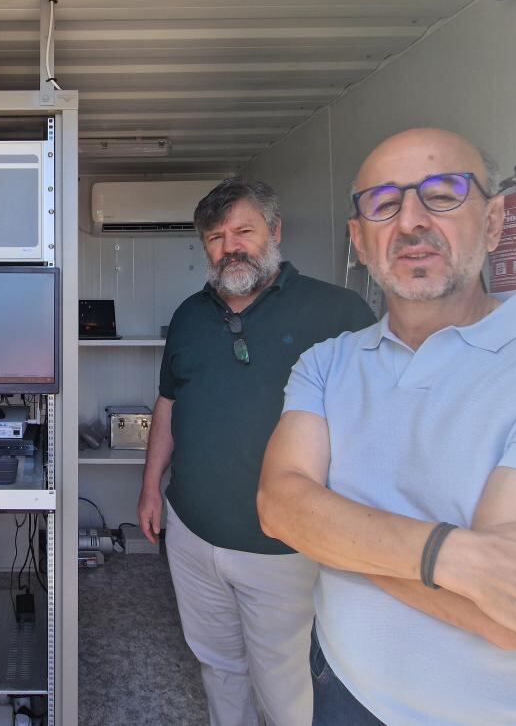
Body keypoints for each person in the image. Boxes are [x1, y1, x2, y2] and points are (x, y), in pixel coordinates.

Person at [258, 128, 516, 724]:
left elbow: (505, 616)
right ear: (359, 241)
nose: (410, 221)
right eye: (384, 205)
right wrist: (457, 557)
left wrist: (330, 526)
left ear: (493, 223)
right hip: (345, 689)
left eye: (442, 193)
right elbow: (280, 507)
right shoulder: (327, 362)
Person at [137, 178, 374, 726]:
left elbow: (379, 420)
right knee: (218, 665)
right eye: (216, 237)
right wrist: (152, 488)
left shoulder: (339, 313)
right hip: (193, 532)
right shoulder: (191, 315)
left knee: (286, 686)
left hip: (284, 547)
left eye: (244, 230)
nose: (231, 246)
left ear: (275, 231)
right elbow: (168, 403)